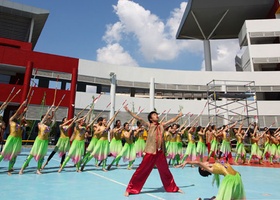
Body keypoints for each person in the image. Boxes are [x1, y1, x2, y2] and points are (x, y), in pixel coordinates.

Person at [123, 106, 183, 197]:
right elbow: (138, 118)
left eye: (156, 114)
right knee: (141, 171)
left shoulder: (162, 125)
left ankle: (173, 187)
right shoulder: (149, 125)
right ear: (151, 119)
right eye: (154, 115)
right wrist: (129, 111)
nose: (156, 115)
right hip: (150, 152)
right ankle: (130, 189)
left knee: (165, 171)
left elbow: (171, 121)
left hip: (160, 152)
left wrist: (178, 116)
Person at [177, 160, 246, 200]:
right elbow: (198, 162)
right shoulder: (211, 169)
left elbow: (226, 166)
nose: (204, 162)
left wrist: (236, 172)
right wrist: (187, 162)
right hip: (230, 179)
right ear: (203, 168)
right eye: (203, 164)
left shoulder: (215, 163)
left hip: (236, 177)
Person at [19, 105, 56, 175]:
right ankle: (22, 169)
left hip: (45, 142)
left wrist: (53, 111)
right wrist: (50, 109)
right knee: (31, 155)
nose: (48, 119)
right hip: (38, 141)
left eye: (48, 119)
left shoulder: (49, 126)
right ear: (43, 118)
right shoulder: (40, 124)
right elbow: (45, 118)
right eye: (46, 118)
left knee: (41, 156)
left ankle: (38, 170)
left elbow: (53, 118)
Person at [0, 100, 27, 175]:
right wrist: (22, 105)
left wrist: (24, 111)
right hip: (11, 138)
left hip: (18, 139)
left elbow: (21, 117)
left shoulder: (19, 123)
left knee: (14, 155)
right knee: (3, 154)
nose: (18, 116)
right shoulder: (11, 120)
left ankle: (9, 169)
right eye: (17, 115)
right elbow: (17, 112)